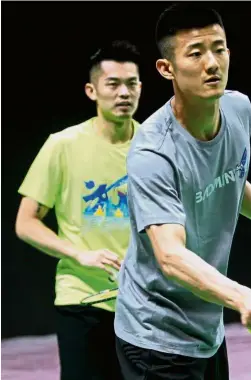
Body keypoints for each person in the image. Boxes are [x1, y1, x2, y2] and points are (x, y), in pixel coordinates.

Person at [114, 4, 251, 380]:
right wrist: (242, 297)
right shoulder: (152, 152)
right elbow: (170, 255)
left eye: (219, 48)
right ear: (167, 69)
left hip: (207, 328)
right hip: (156, 337)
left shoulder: (239, 109)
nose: (212, 63)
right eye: (195, 53)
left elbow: (230, 179)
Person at [15, 40, 142, 380]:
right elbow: (26, 223)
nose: (124, 93)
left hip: (144, 303)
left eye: (132, 83)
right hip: (82, 299)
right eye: (113, 84)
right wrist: (79, 255)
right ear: (91, 90)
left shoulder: (155, 147)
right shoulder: (62, 145)